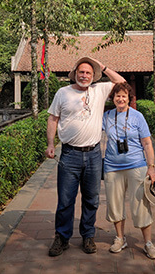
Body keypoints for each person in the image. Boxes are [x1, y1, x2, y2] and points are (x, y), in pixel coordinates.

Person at [46, 56, 125, 256]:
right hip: (70, 154)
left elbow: (121, 83)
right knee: (65, 200)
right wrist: (50, 144)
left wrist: (103, 65)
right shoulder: (63, 92)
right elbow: (53, 119)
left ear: (93, 76)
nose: (84, 75)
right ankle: (62, 238)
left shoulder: (99, 90)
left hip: (93, 154)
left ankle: (88, 236)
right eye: (81, 72)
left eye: (89, 72)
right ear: (75, 74)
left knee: (92, 199)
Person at [102, 82, 155, 259]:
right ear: (113, 98)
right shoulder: (107, 116)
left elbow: (147, 143)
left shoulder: (137, 116)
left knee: (141, 205)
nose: (120, 99)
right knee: (114, 204)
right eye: (117, 96)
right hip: (112, 167)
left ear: (129, 98)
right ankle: (120, 238)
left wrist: (151, 168)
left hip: (136, 166)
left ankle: (148, 242)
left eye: (124, 96)